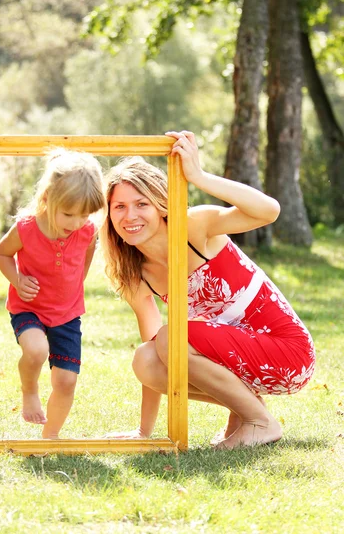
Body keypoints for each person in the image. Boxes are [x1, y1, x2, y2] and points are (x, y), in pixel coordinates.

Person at [100, 130, 315, 449]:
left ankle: (260, 422)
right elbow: (156, 348)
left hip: (288, 353)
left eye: (141, 204)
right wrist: (143, 432)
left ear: (160, 204)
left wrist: (198, 176)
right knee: (146, 359)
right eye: (119, 207)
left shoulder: (194, 227)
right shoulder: (138, 276)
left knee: (171, 338)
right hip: (240, 360)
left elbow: (268, 211)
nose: (130, 216)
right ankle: (247, 410)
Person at [0, 148, 105, 439]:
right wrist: (17, 280)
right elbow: (2, 254)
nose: (76, 223)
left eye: (84, 215)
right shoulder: (27, 228)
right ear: (46, 199)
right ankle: (29, 391)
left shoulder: (86, 230)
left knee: (67, 380)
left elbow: (88, 251)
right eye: (69, 214)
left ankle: (50, 436)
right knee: (36, 350)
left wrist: (77, 281)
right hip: (28, 307)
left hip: (67, 314)